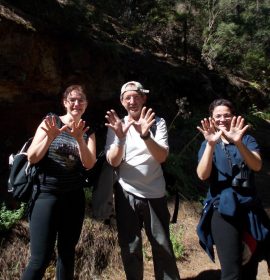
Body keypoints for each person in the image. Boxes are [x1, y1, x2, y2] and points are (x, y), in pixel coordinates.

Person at [104, 81, 180, 280]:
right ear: (122, 101)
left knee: (162, 245)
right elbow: (113, 161)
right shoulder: (116, 125)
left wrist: (145, 135)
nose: (132, 101)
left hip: (155, 193)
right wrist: (120, 138)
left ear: (144, 98)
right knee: (130, 246)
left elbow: (162, 156)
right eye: (127, 97)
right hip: (125, 192)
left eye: (136, 96)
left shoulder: (157, 122)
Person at [21, 84, 96, 280]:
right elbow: (32, 157)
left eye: (81, 100)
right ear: (65, 102)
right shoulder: (51, 121)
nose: (77, 104)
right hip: (46, 195)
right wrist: (49, 138)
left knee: (67, 254)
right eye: (72, 100)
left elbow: (89, 164)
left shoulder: (88, 130)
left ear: (86, 104)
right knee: (40, 259)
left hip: (73, 198)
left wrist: (80, 139)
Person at [196, 98, 270, 280]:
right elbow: (202, 175)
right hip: (222, 211)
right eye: (218, 116)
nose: (222, 119)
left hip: (250, 210)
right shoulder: (207, 144)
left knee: (250, 269)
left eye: (226, 115)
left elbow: (257, 165)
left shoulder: (246, 139)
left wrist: (238, 143)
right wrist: (211, 145)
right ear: (212, 119)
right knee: (231, 272)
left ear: (234, 116)